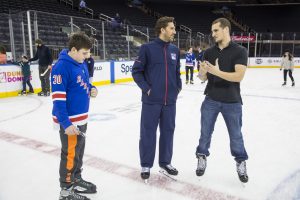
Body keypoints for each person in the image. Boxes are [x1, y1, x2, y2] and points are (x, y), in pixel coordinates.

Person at [195, 18, 249, 183]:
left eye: (216, 30)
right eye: (212, 31)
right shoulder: (209, 52)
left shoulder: (240, 51)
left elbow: (239, 76)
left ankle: (240, 161)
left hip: (232, 101)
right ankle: (202, 156)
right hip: (210, 99)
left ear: (226, 29)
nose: (213, 34)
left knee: (236, 136)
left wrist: (217, 72)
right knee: (205, 133)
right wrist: (203, 72)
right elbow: (202, 78)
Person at [132, 16, 182, 181]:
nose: (174, 31)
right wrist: (147, 89)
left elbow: (176, 73)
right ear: (162, 29)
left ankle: (165, 162)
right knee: (148, 133)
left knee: (168, 132)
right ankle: (146, 164)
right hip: (151, 100)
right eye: (172, 28)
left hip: (170, 101)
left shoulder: (174, 50)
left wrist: (177, 87)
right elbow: (136, 71)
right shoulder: (147, 48)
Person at [51, 32, 98, 200]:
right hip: (70, 122)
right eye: (84, 53)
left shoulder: (81, 63)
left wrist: (93, 89)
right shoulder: (61, 67)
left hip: (81, 118)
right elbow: (58, 100)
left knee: (78, 152)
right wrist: (66, 124)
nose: (87, 57)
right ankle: (66, 190)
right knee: (70, 155)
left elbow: (85, 82)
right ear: (73, 49)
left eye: (88, 53)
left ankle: (76, 178)